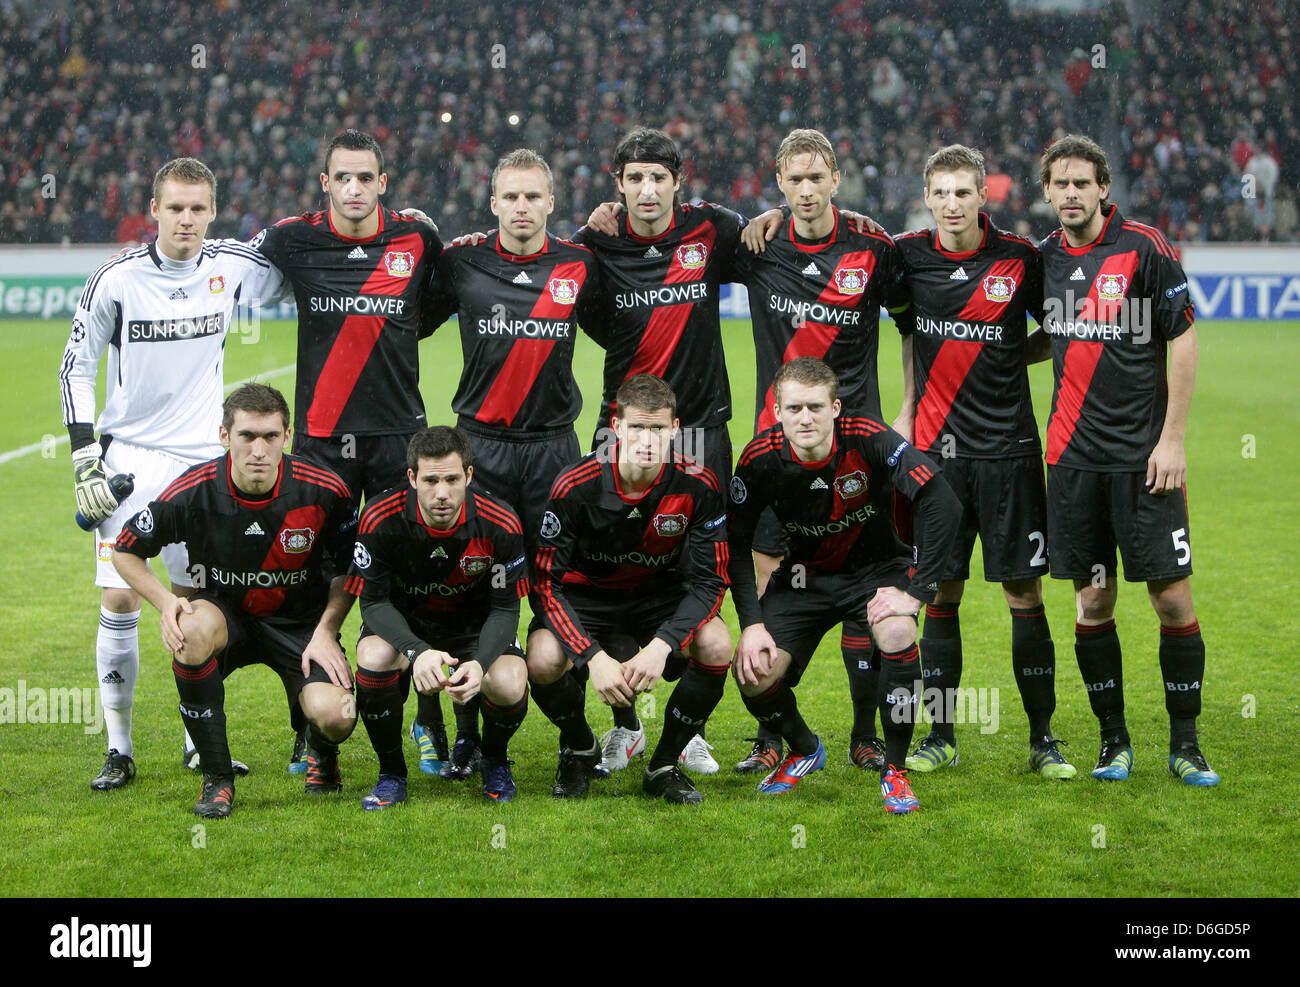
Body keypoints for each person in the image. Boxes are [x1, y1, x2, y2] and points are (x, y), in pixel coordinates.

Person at [58, 157, 286, 790]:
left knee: (195, 604)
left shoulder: (232, 264)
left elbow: (299, 268)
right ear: (152, 211)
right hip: (128, 456)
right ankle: (120, 749)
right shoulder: (115, 279)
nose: (186, 219)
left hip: (201, 464)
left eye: (198, 208)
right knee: (121, 597)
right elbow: (74, 368)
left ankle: (196, 742)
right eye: (174, 208)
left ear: (213, 212)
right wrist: (83, 458)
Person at [252, 129, 452, 776]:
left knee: (410, 578)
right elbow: (232, 268)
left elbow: (434, 306)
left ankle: (427, 717)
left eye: (367, 177)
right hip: (320, 439)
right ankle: (315, 734)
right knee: (314, 584)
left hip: (398, 437)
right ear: (325, 183)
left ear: (384, 182)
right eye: (343, 177)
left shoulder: (417, 239)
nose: (355, 188)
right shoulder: (291, 239)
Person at [1035, 134, 1217, 786]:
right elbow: (1045, 331)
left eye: (1083, 182)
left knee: (1171, 600)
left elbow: (1185, 338)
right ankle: (1114, 742)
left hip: (1145, 462)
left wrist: (1173, 439)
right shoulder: (1046, 258)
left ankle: (1187, 744)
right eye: (1061, 183)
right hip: (1074, 464)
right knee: (1093, 601)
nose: (1072, 193)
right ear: (1048, 190)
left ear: (1104, 187)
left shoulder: (1144, 247)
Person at [731, 128, 913, 776]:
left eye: (817, 177)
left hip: (857, 456)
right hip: (778, 456)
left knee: (865, 594)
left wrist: (911, 405)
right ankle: (773, 737)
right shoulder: (758, 244)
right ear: (778, 183)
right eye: (794, 179)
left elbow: (911, 319)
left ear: (837, 178)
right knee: (763, 586)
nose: (806, 190)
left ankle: (867, 734)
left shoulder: (872, 246)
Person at [890, 145, 1074, 778]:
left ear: (982, 196)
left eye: (962, 193)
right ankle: (941, 735)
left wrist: (1008, 356)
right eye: (939, 193)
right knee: (940, 593)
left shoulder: (1019, 260)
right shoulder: (908, 255)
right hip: (937, 459)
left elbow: (1061, 326)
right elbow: (897, 315)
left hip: (1011, 453)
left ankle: (1044, 739)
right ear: (927, 197)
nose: (951, 205)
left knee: (1025, 592)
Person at [569, 126, 746, 776]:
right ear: (618, 184)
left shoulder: (712, 230)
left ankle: (688, 727)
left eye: (658, 178)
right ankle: (624, 722)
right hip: (623, 428)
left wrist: (785, 210)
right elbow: (589, 315)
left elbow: (778, 237)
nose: (646, 190)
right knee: (614, 566)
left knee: (700, 565)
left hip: (702, 430)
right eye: (634, 178)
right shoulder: (597, 242)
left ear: (678, 181)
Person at [422, 149, 604, 779]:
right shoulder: (461, 260)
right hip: (482, 450)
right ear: (493, 203)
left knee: (565, 590)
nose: (523, 207)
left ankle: (575, 740)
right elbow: (407, 318)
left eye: (534, 197)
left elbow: (623, 326)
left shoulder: (580, 264)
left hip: (554, 449)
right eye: (511, 197)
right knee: (473, 588)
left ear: (552, 203)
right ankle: (468, 734)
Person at [111, 384, 358, 818]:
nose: (258, 449)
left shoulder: (325, 490)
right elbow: (125, 549)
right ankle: (217, 777)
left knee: (337, 715)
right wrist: (166, 602)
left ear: (288, 436)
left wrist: (327, 631)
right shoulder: (194, 490)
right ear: (225, 436)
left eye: (270, 436)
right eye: (247, 436)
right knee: (188, 632)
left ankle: (321, 750)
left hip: (301, 626)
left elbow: (348, 570)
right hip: (227, 618)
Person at [727, 358, 961, 813]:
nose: (805, 418)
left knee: (897, 631)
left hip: (875, 572)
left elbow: (940, 499)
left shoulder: (869, 437)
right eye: (793, 408)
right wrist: (751, 623)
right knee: (753, 672)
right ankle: (802, 748)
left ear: (836, 407)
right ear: (777, 412)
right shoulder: (758, 459)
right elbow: (734, 542)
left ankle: (895, 770)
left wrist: (915, 591)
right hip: (804, 579)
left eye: (816, 406)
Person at [529, 374, 732, 804]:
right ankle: (580, 746)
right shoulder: (575, 484)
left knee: (716, 643)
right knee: (544, 658)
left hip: (657, 599)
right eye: (636, 428)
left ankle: (663, 765)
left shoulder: (699, 483)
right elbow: (545, 585)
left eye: (658, 429)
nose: (647, 440)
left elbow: (712, 580)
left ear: (675, 430)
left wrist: (663, 645)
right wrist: (592, 657)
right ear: (616, 427)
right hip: (586, 598)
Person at [347, 427, 530, 808]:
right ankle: (391, 774)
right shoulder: (380, 518)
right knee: (373, 657)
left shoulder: (501, 522)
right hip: (408, 626)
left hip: (474, 628)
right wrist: (417, 651)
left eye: (451, 479)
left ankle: (494, 761)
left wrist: (479, 664)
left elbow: (506, 608)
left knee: (510, 682)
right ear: (412, 478)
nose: (442, 493)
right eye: (430, 480)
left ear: (469, 475)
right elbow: (374, 603)